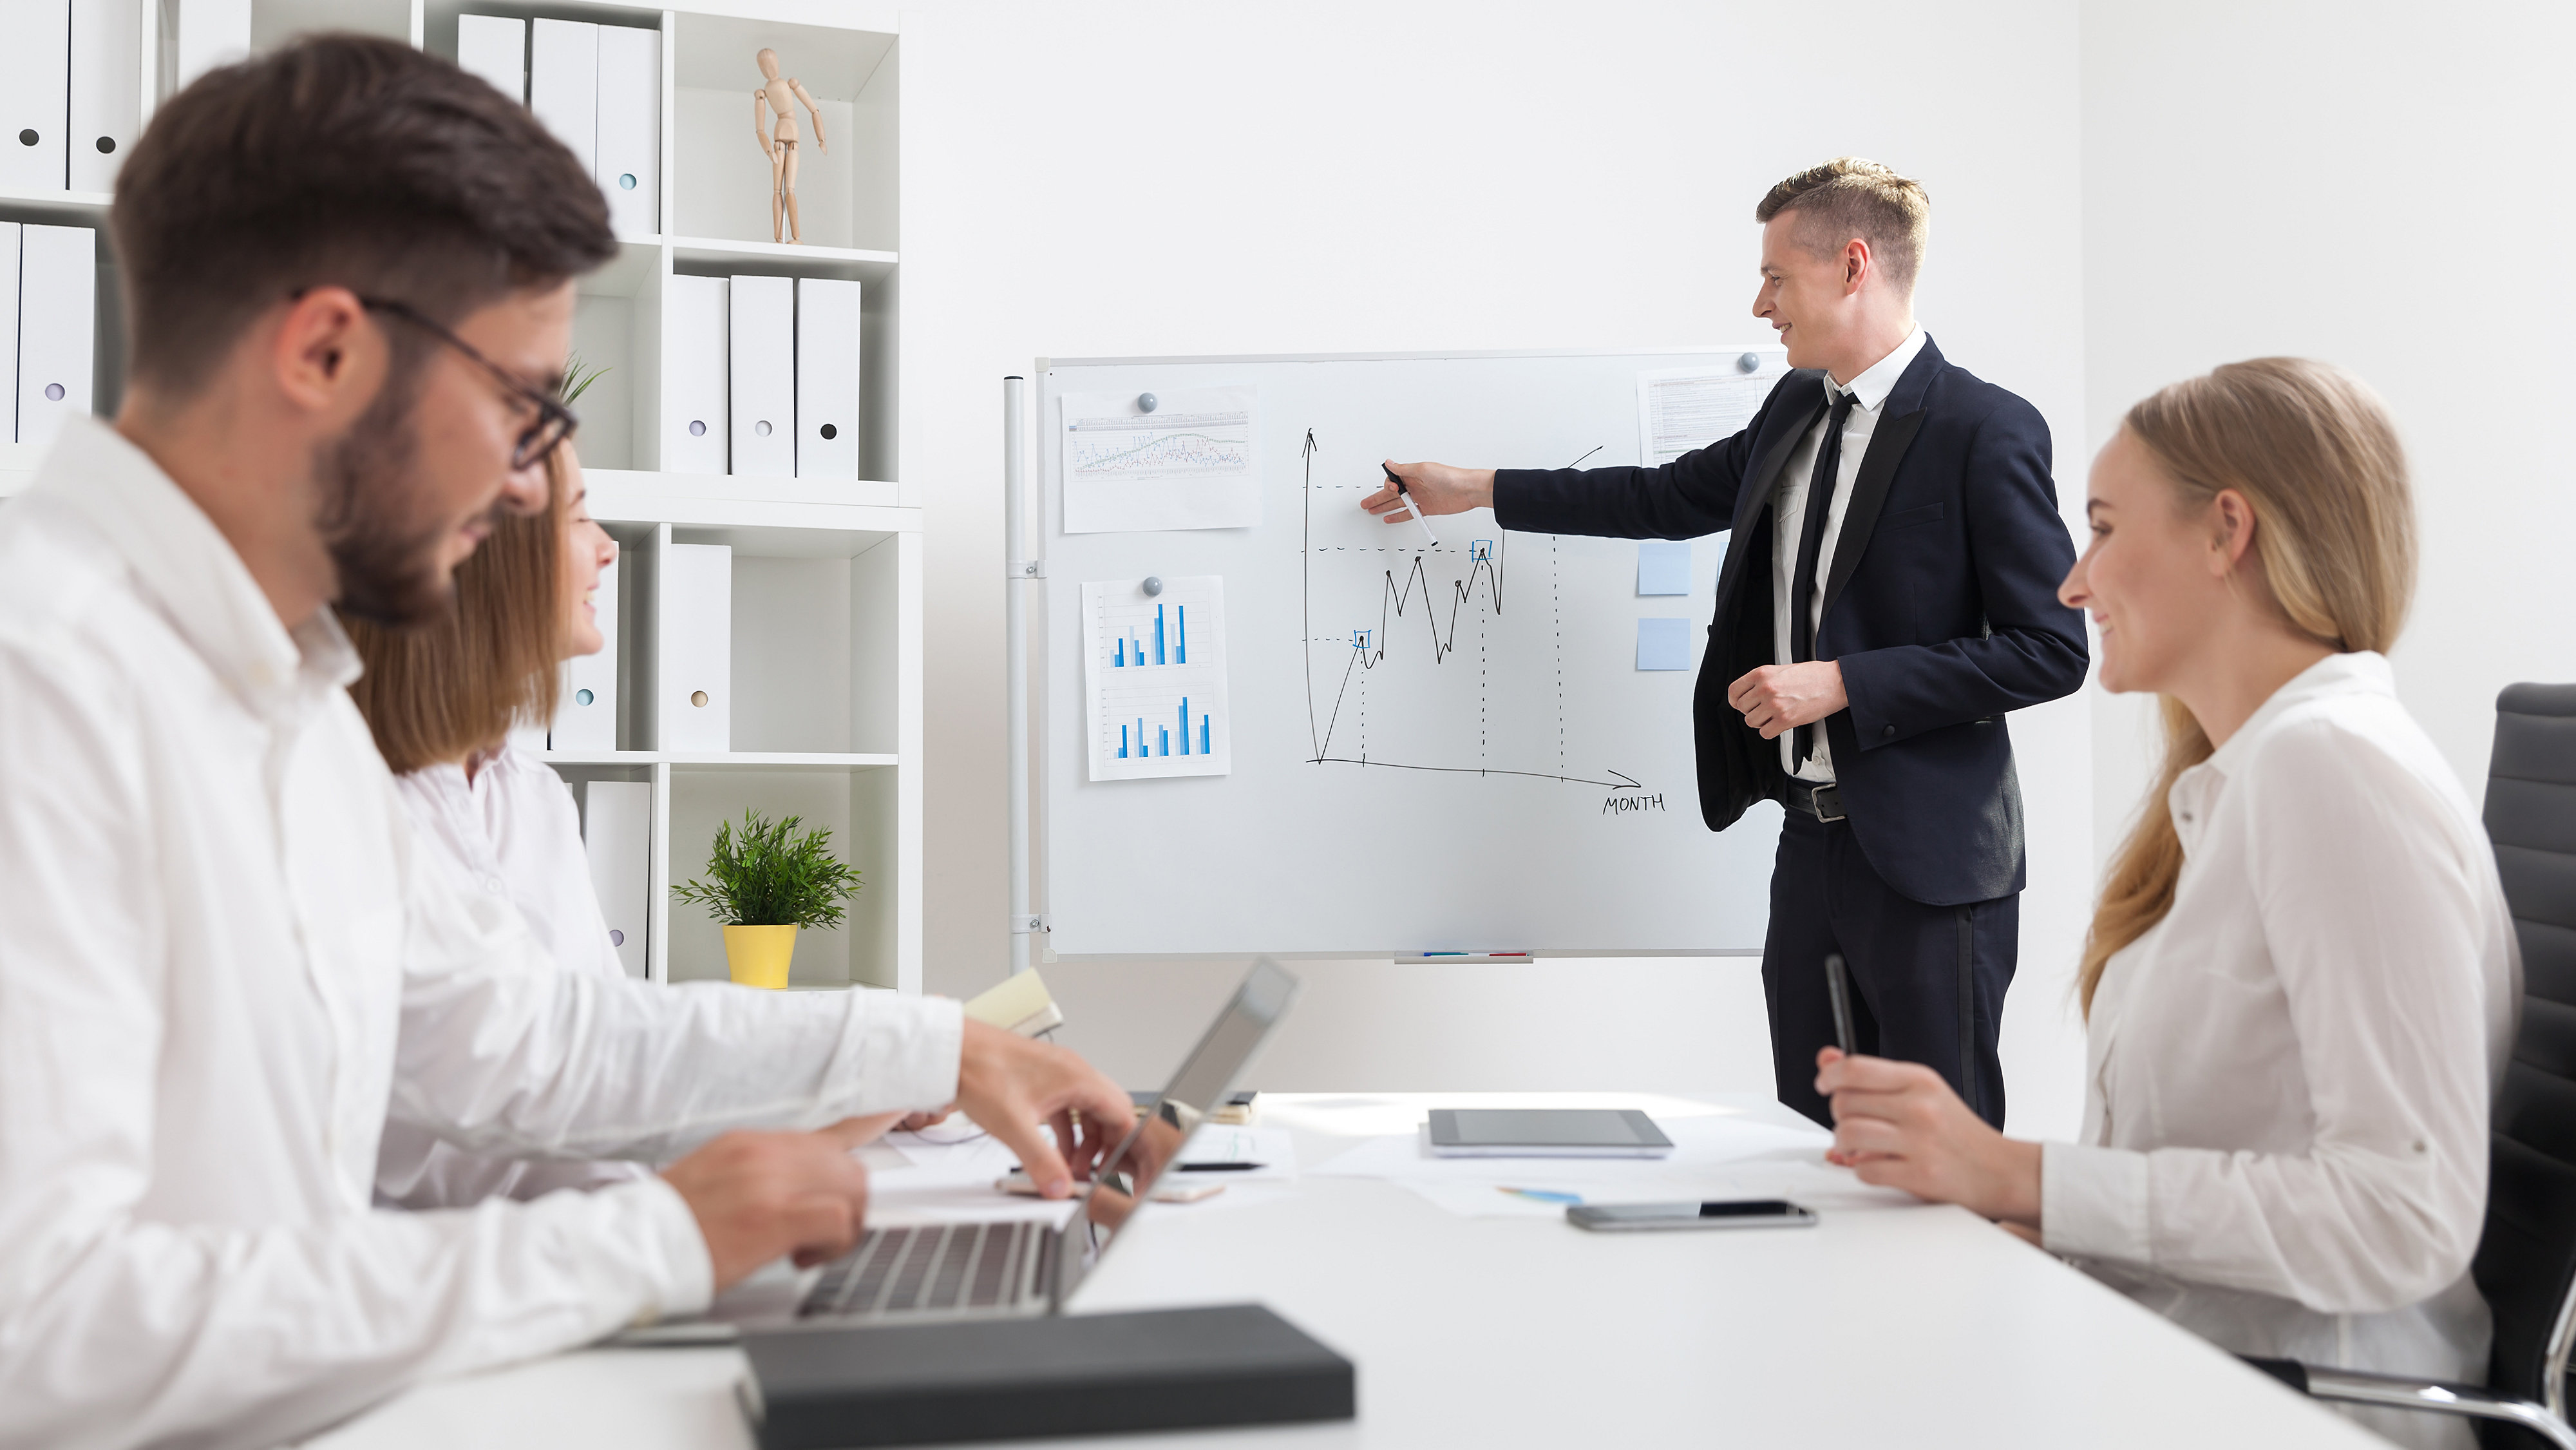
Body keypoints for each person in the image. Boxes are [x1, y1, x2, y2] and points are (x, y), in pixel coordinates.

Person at [0, 36, 1130, 1449]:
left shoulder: (275, 686)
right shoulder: (43, 683)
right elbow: (44, 1332)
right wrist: (648, 1245)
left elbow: (522, 1036)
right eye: (521, 406)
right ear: (326, 352)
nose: (532, 482)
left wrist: (930, 1046)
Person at [1814, 358, 2515, 1450]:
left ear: (2226, 532)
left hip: (2293, 1407)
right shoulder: (2251, 782)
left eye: (2100, 529)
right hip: (2188, 1366)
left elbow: (2403, 1216)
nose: (2072, 584)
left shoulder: (2335, 773)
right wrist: (2025, 1210)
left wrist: (2025, 1175)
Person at [1367, 158, 2087, 1128]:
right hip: (1811, 846)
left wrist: (1845, 684)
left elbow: (2051, 648)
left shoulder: (1984, 429)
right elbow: (1660, 497)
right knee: (1806, 1133)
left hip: (1931, 864)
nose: (1762, 305)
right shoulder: (1796, 410)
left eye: (1777, 277)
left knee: (1938, 1150)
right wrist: (1477, 488)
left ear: (1854, 266)